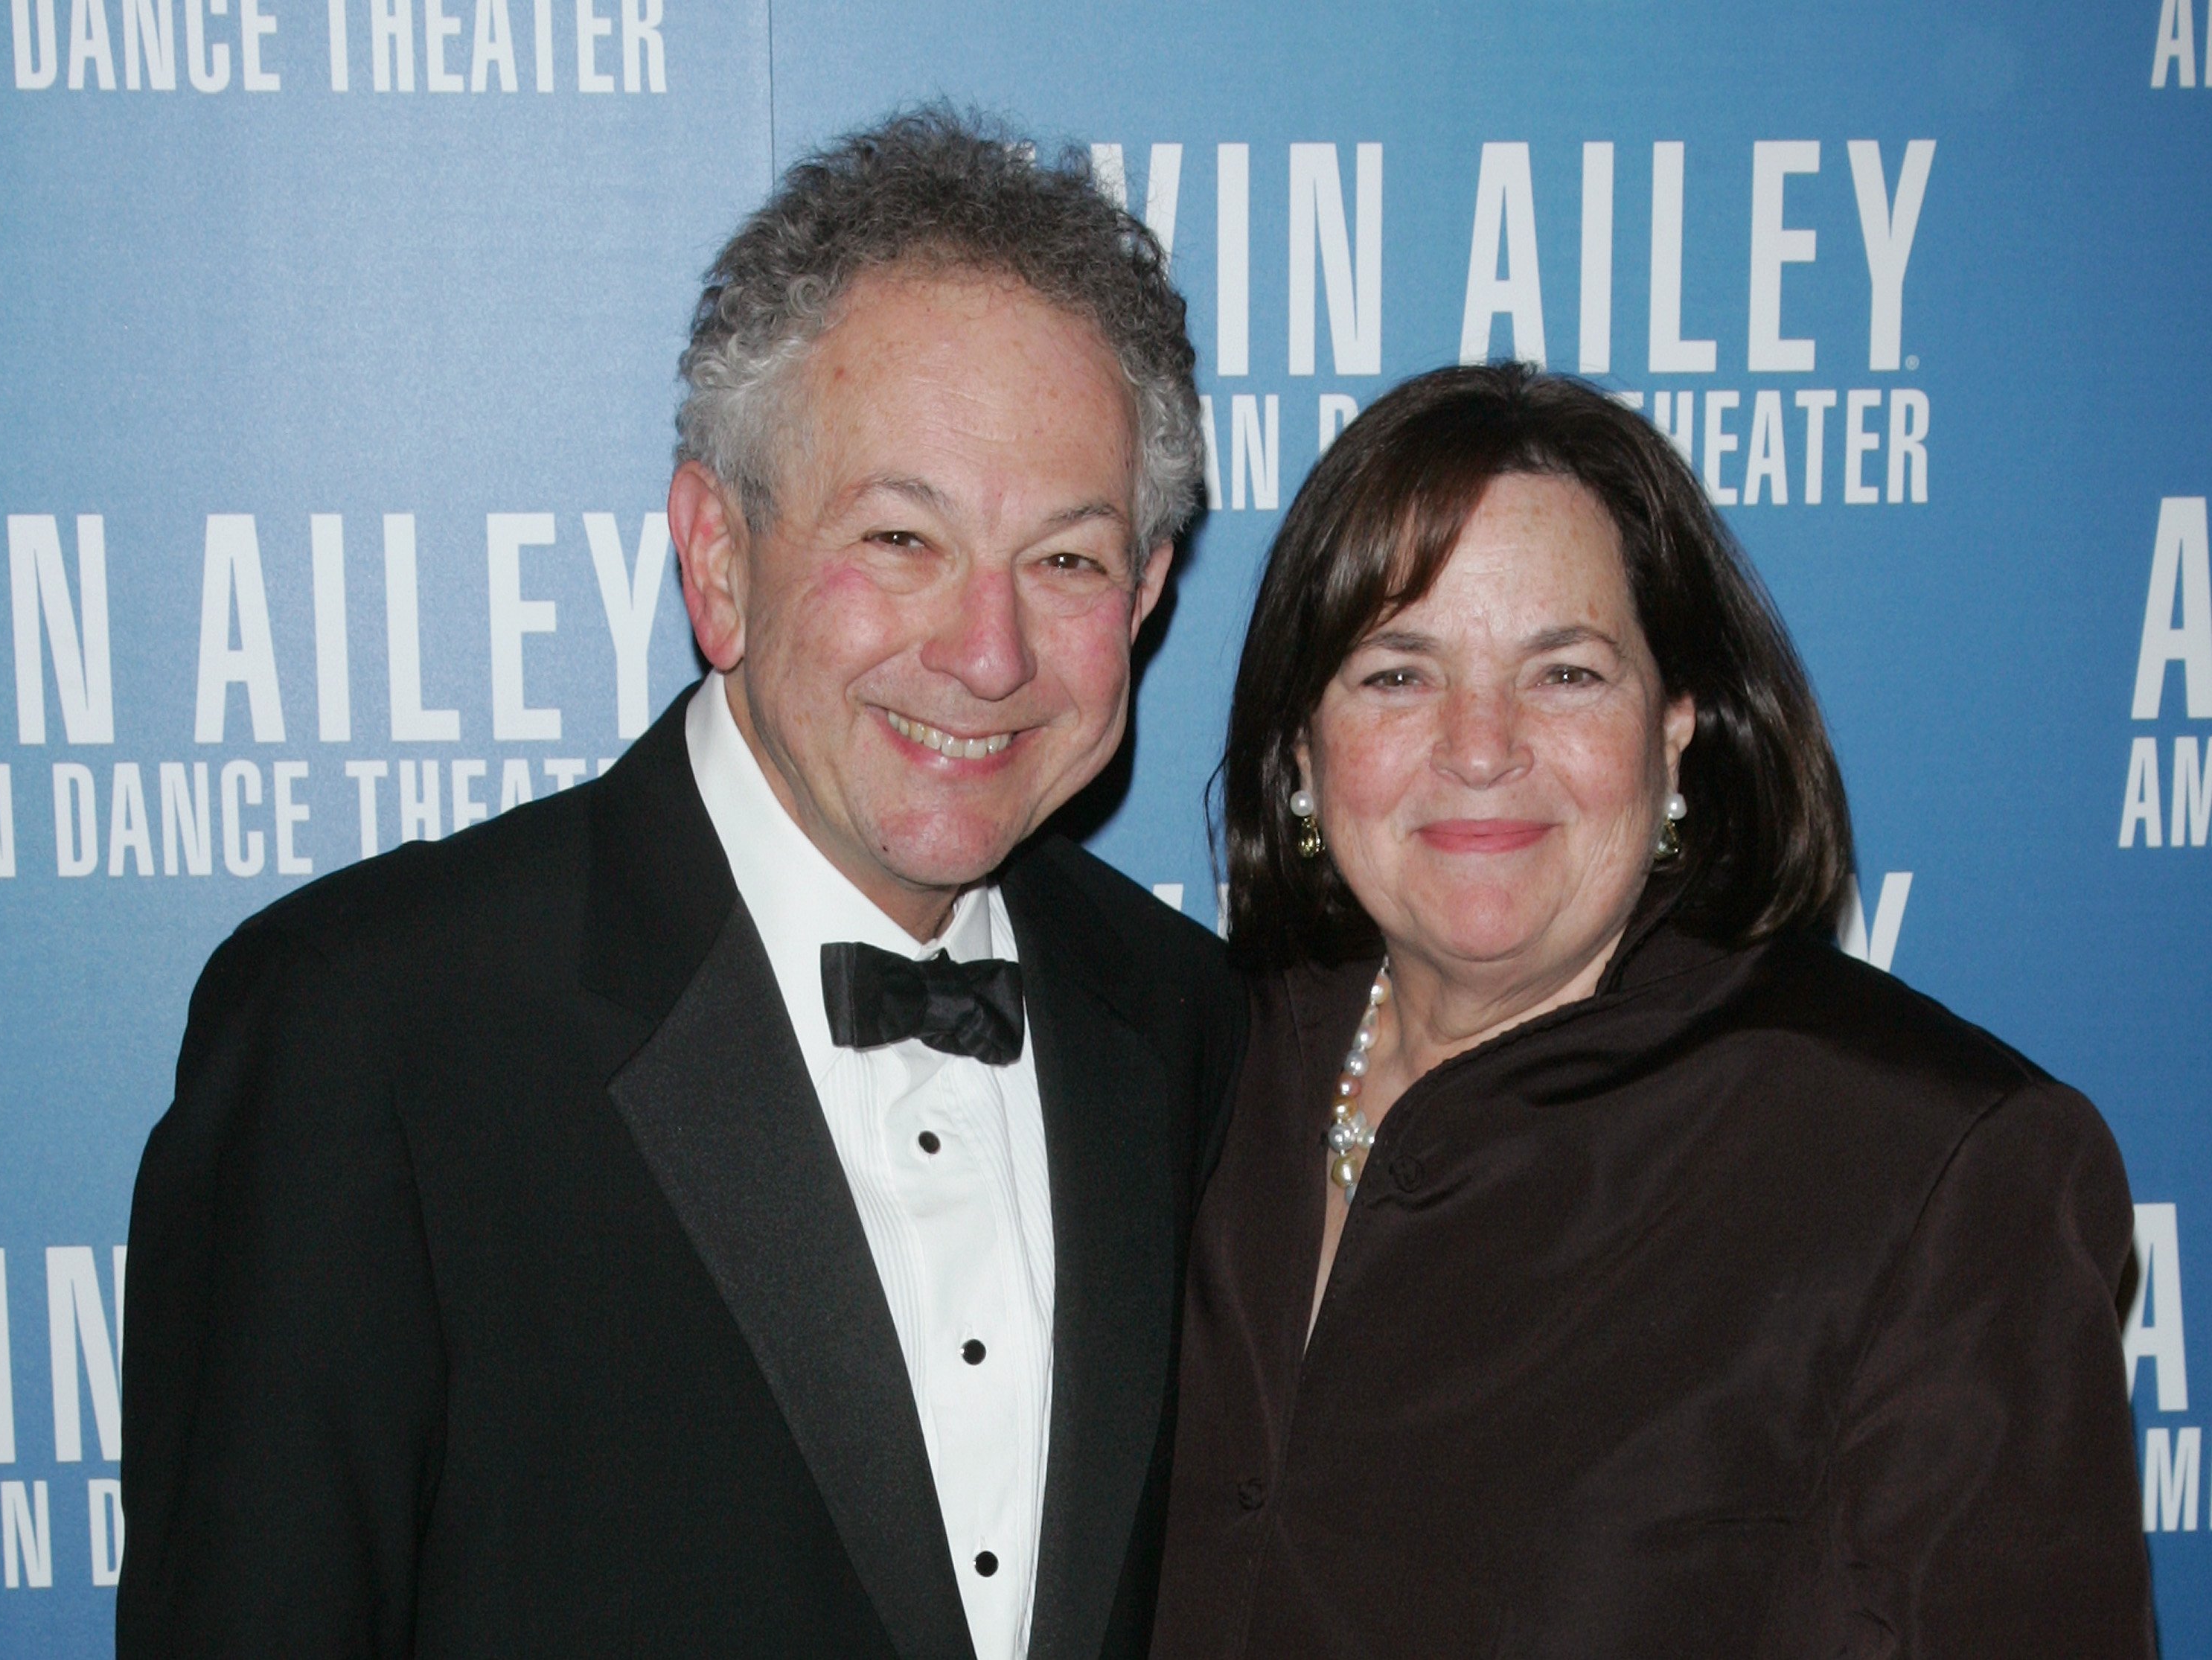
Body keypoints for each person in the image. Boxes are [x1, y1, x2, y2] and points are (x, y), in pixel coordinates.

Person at [118, 109, 1243, 1660]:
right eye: (902, 536)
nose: (988, 654)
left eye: (1066, 559)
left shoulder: (1193, 1026)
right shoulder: (367, 1033)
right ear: (718, 555)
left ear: (1152, 589)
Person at [1151, 363, 2152, 1658]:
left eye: (1565, 674)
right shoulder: (1185, 1064)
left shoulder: (1930, 1166)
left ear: (1680, 724)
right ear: (1301, 742)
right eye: (1397, 674)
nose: (1479, 744)